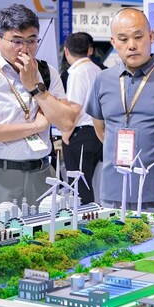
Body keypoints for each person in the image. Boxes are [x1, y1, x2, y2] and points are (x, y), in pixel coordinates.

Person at [0, 3, 75, 222]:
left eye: (31, 40)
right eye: (17, 41)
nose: (25, 49)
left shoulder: (46, 72)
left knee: (47, 237)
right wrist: (37, 125)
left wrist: (36, 89)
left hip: (42, 173)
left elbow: (66, 122)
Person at [86, 8, 154, 211]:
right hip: (112, 192)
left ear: (151, 36)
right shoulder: (102, 79)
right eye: (123, 39)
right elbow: (101, 130)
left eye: (138, 37)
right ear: (113, 42)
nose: (132, 45)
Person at [61, 32, 103, 205]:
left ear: (66, 51)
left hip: (80, 134)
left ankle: (82, 219)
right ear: (89, 50)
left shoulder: (78, 72)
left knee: (79, 186)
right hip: (97, 133)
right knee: (90, 184)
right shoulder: (97, 69)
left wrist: (66, 133)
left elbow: (75, 107)